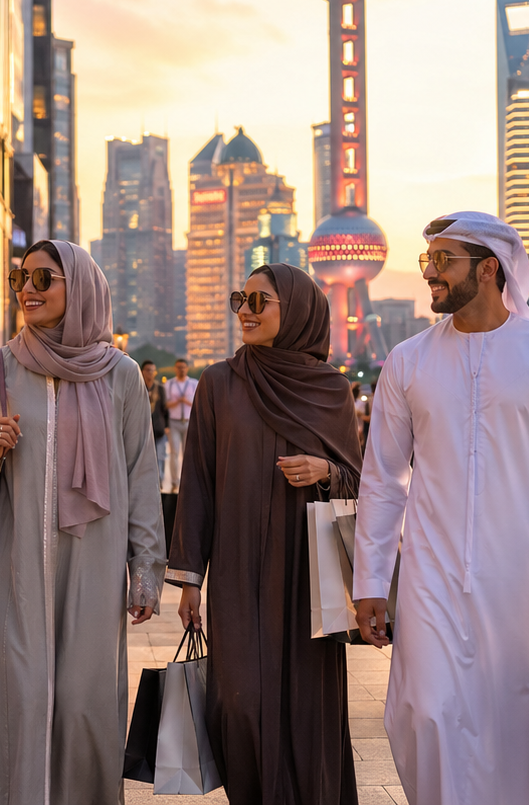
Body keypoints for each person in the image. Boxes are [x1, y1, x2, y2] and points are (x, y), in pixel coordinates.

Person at [353, 212, 529, 805]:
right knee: (426, 714)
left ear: (489, 267)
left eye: (442, 261)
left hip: (528, 578)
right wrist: (371, 580)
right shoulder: (408, 360)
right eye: (428, 262)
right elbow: (383, 479)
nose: (431, 274)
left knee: (522, 722)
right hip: (429, 578)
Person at [0, 240, 165, 803]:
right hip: (13, 563)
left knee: (81, 696)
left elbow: (142, 475)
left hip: (94, 563)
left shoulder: (119, 377)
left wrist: (146, 571)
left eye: (45, 279)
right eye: (22, 277)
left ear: (81, 288)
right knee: (14, 688)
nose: (27, 289)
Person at [171, 262, 363, 803]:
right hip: (236, 569)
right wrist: (190, 579)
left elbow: (363, 481)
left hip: (307, 576)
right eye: (241, 300)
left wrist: (326, 471)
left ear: (297, 309)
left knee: (306, 708)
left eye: (260, 302)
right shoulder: (218, 383)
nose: (245, 312)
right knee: (239, 704)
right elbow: (198, 485)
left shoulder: (331, 391)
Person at [164, 358, 197, 492]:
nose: (181, 370)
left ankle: (188, 480)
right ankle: (174, 481)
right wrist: (177, 402)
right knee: (174, 452)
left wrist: (186, 401)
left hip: (189, 421)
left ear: (187, 368)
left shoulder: (193, 383)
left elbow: (197, 403)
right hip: (174, 421)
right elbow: (165, 404)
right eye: (178, 367)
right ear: (175, 368)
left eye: (183, 367)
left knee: (188, 453)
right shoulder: (169, 384)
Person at [143, 358, 170, 483]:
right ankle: (147, 482)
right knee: (144, 458)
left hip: (158, 427)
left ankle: (159, 481)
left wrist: (167, 426)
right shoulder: (138, 387)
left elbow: (165, 408)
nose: (151, 373)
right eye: (148, 370)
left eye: (153, 371)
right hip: (142, 429)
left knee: (160, 456)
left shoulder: (159, 388)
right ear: (142, 371)